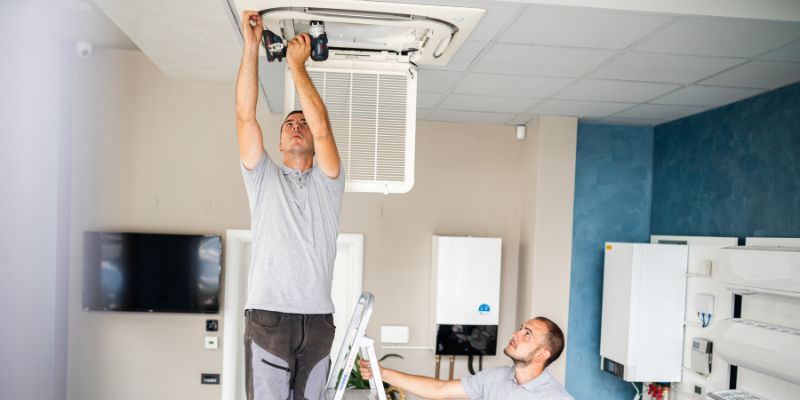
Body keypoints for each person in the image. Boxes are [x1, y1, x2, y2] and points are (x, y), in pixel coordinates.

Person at [236, 10, 345, 400]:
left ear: (312, 141)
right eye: (288, 125)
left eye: (302, 123)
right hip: (268, 317)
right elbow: (245, 116)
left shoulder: (329, 181)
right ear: (279, 144)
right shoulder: (263, 177)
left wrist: (297, 68)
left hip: (318, 322)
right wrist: (251, 49)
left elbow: (324, 128)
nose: (296, 126)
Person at [360, 317, 574, 400]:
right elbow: (439, 390)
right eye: (520, 328)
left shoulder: (556, 398)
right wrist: (383, 372)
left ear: (542, 354)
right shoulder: (495, 378)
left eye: (527, 333)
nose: (515, 334)